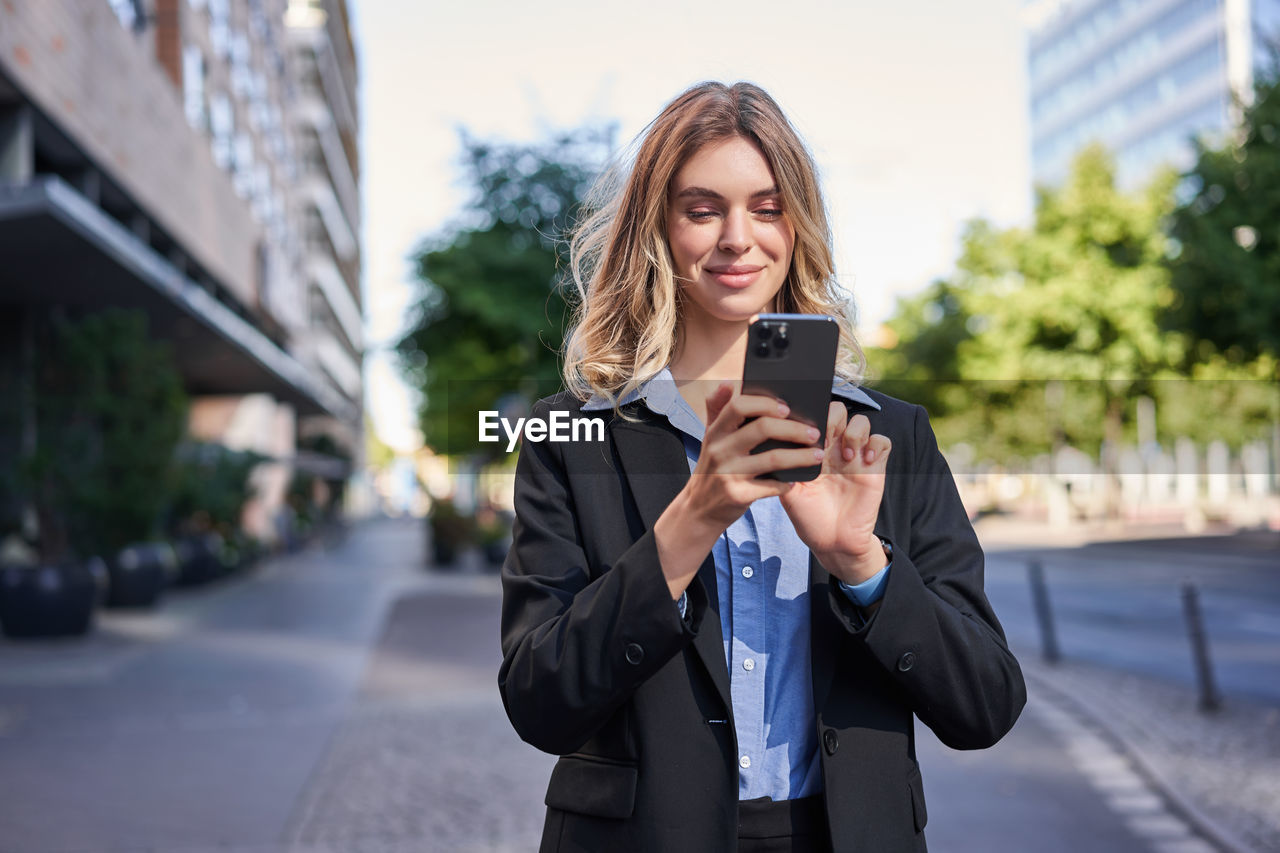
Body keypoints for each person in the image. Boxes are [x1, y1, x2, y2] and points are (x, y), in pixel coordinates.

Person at [498, 81, 1026, 853]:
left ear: (797, 224)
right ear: (659, 229)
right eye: (702, 208)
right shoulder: (572, 438)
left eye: (768, 207)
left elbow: (985, 703)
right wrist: (690, 522)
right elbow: (538, 703)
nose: (737, 237)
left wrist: (862, 563)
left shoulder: (892, 436)